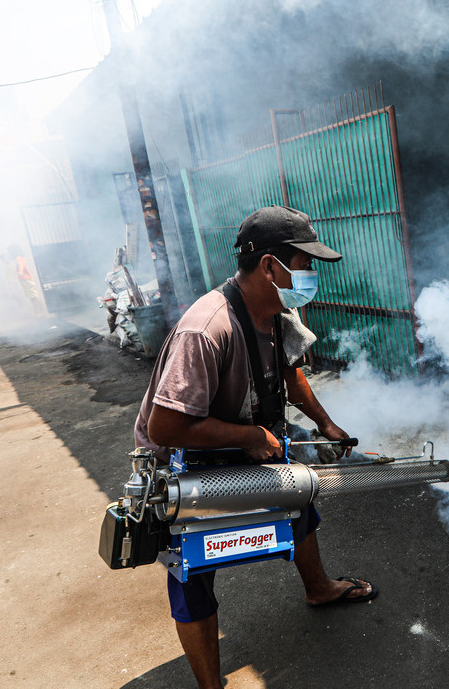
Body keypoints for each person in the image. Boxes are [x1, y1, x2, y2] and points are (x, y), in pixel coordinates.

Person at [133, 205, 374, 689]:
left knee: (299, 500)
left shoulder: (277, 312)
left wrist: (325, 422)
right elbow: (165, 427)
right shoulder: (207, 328)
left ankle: (319, 588)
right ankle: (210, 684)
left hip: (246, 439)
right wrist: (247, 436)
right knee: (193, 572)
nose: (309, 275)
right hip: (183, 460)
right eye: (303, 264)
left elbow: (289, 370)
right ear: (270, 266)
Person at [7, 245, 41, 314]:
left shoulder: (18, 257)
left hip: (25, 278)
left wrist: (20, 272)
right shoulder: (19, 257)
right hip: (23, 278)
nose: (9, 253)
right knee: (31, 295)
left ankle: (39, 311)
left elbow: (21, 265)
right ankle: (37, 311)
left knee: (33, 295)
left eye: (10, 251)